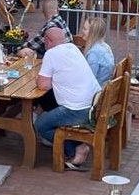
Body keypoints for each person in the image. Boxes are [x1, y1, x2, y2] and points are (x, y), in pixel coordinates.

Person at [33, 27, 101, 170]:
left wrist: (41, 79)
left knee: (40, 125)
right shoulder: (73, 48)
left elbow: (43, 85)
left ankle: (77, 148)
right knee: (49, 101)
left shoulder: (51, 54)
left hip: (77, 110)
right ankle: (75, 144)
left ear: (48, 41)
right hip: (94, 104)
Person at [80, 15, 115, 87]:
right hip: (105, 85)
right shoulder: (105, 46)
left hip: (98, 89)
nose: (82, 31)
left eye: (85, 29)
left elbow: (90, 78)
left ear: (93, 33)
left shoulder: (94, 53)